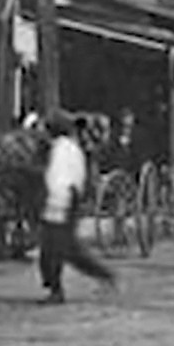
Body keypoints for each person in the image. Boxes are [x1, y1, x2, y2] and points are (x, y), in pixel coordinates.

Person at [38, 113, 115, 304]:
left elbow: (60, 178)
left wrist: (57, 203)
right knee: (53, 248)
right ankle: (54, 286)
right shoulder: (67, 148)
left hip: (62, 200)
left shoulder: (63, 150)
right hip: (63, 199)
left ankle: (99, 276)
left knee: (62, 248)